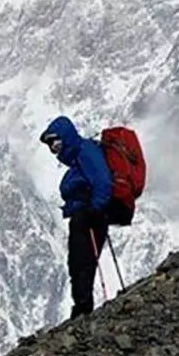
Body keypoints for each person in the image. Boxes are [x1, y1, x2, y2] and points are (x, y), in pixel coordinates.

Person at [39, 115, 113, 318]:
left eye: (56, 143)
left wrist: (95, 209)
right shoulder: (79, 157)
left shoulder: (85, 152)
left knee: (82, 261)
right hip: (85, 214)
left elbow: (103, 180)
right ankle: (82, 305)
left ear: (66, 137)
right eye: (51, 146)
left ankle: (83, 307)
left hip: (89, 215)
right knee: (79, 261)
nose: (54, 149)